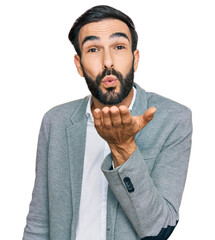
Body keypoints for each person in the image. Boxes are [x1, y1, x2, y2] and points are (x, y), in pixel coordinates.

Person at [23, 5, 192, 240]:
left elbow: (158, 229)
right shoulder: (56, 121)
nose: (108, 62)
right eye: (93, 49)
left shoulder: (173, 119)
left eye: (119, 47)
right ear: (79, 64)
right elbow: (39, 222)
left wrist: (123, 148)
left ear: (135, 59)